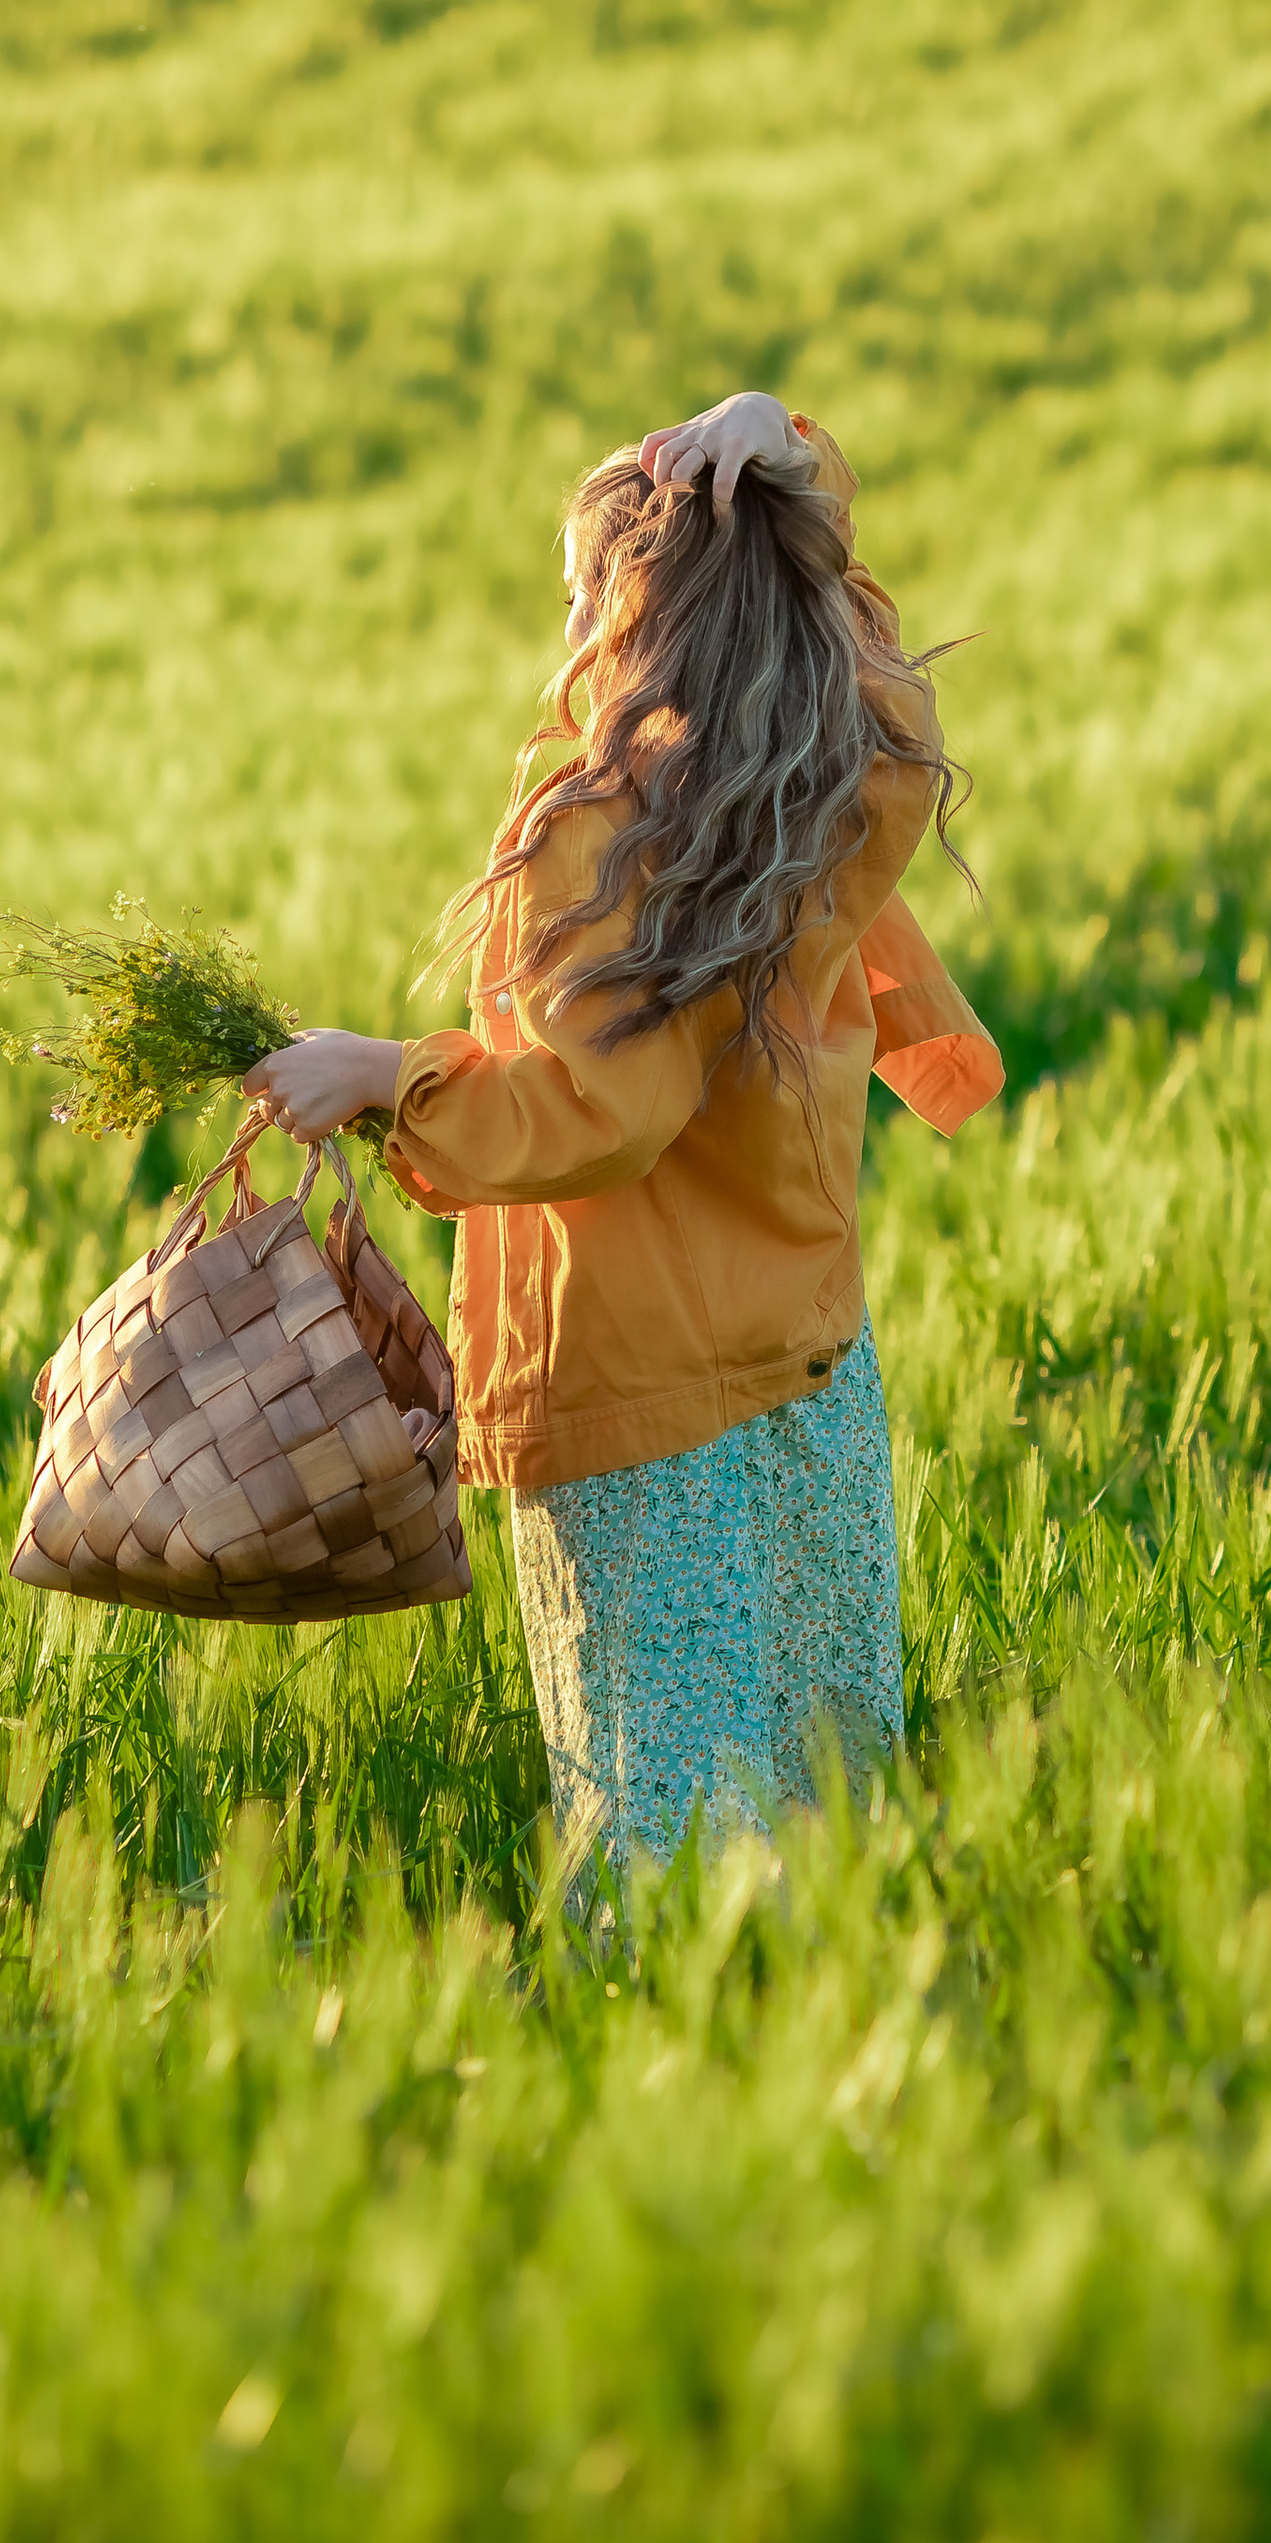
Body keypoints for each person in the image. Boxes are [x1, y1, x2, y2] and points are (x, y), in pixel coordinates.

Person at [244, 388, 1003, 1868]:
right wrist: (788, 463)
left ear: (638, 613)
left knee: (661, 1838)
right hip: (807, 1373)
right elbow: (891, 698)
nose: (565, 636)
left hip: (646, 1419)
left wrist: (388, 1074)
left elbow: (599, 1109)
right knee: (825, 1802)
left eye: (581, 594)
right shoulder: (809, 802)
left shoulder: (610, 835)